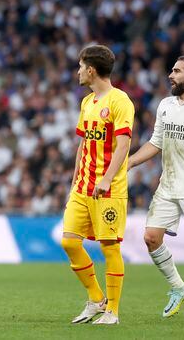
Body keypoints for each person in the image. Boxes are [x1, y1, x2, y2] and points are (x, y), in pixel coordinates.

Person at [128, 55, 184, 320]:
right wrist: (130, 163)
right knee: (151, 238)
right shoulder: (166, 105)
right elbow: (156, 142)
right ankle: (178, 287)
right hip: (169, 184)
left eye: (176, 71)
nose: (170, 75)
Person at [61, 45, 134, 325]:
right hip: (82, 187)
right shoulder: (87, 102)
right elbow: (83, 144)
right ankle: (95, 298)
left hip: (109, 188)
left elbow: (124, 143)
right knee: (69, 241)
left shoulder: (120, 101)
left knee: (109, 246)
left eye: (80, 66)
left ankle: (112, 311)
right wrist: (74, 181)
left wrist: (106, 179)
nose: (78, 71)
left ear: (91, 70)